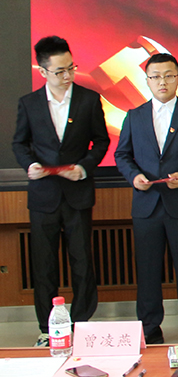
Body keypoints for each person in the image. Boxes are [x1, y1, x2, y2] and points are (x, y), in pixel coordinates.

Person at [12, 36, 110, 346]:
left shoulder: (88, 100)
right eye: (60, 71)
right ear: (43, 71)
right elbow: (19, 143)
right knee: (44, 265)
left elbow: (101, 141)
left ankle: (81, 325)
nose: (67, 76)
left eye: (71, 68)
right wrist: (29, 164)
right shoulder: (29, 103)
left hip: (77, 192)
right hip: (43, 195)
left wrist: (84, 167)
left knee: (82, 260)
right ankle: (47, 328)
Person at [114, 53, 178, 344]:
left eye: (169, 76)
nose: (163, 82)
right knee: (147, 269)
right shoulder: (134, 116)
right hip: (146, 205)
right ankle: (149, 327)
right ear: (147, 80)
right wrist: (134, 176)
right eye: (156, 76)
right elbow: (122, 154)